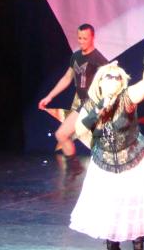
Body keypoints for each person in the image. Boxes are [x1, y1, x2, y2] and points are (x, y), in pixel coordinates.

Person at [70, 34, 144, 250]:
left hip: (133, 158)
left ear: (122, 81)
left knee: (134, 202)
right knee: (110, 204)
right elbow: (79, 129)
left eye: (117, 77)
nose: (113, 79)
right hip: (105, 161)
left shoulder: (128, 97)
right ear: (100, 81)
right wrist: (99, 111)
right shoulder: (93, 103)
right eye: (109, 76)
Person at [38, 24, 107, 175]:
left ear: (92, 38)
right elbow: (67, 78)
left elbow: (109, 84)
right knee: (61, 134)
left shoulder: (99, 59)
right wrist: (49, 97)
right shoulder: (76, 57)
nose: (81, 41)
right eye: (79, 38)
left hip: (95, 106)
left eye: (85, 38)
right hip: (83, 105)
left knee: (102, 141)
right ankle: (75, 168)